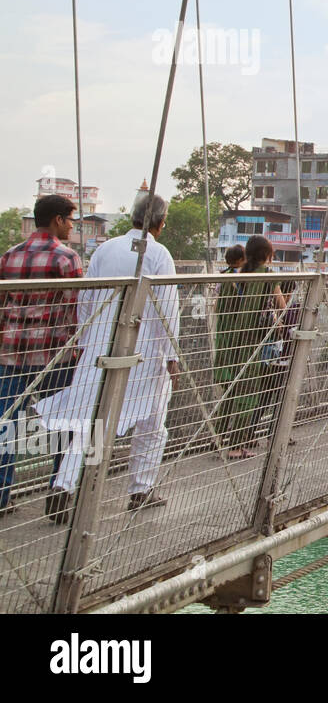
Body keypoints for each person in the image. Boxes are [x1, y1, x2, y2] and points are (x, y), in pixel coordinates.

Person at [36, 193, 179, 519]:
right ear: (159, 222)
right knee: (153, 423)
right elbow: (167, 308)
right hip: (144, 351)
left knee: (89, 422)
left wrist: (86, 340)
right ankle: (141, 490)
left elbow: (87, 299)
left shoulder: (105, 248)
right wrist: (172, 355)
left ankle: (64, 483)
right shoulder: (158, 253)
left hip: (99, 347)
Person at [0, 195, 84, 518]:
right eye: (71, 221)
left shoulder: (9, 257)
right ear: (58, 220)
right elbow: (75, 308)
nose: (72, 227)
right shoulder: (67, 259)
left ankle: (3, 495)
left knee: (6, 426)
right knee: (64, 424)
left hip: (10, 355)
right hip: (55, 356)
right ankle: (58, 497)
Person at [212, 235, 288, 459]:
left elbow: (219, 309)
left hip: (227, 342)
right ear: (266, 255)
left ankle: (217, 438)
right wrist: (278, 321)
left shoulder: (233, 275)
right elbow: (282, 306)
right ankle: (236, 446)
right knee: (248, 393)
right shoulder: (266, 276)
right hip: (250, 343)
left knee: (229, 391)